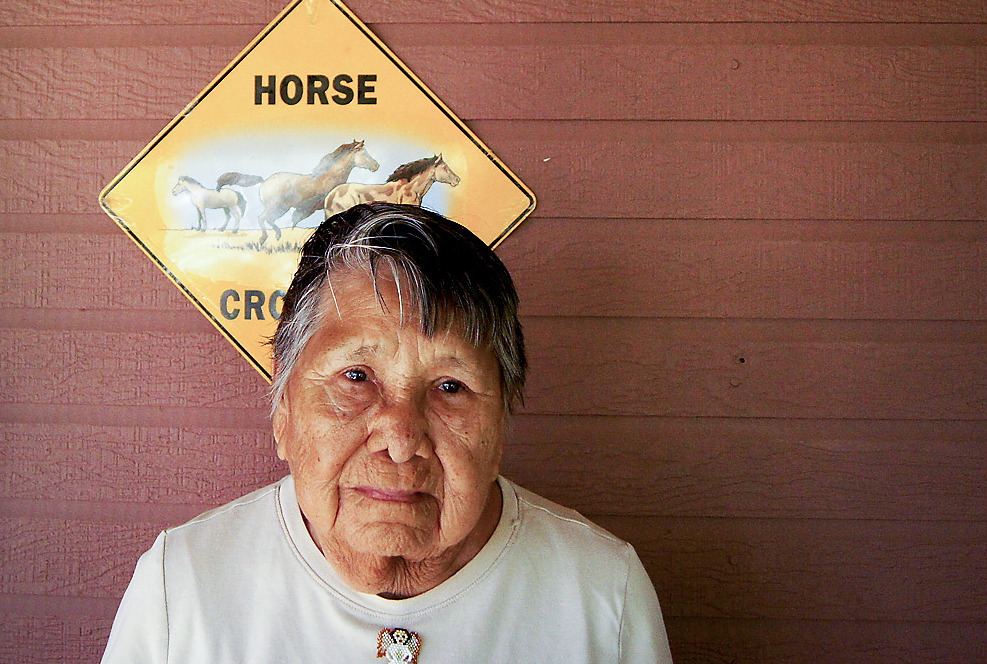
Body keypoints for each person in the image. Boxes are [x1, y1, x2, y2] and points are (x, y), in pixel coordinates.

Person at [101, 203, 672, 663]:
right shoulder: (187, 585)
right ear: (283, 410)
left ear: (501, 424)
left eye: (450, 387)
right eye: (356, 376)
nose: (400, 437)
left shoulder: (602, 594)